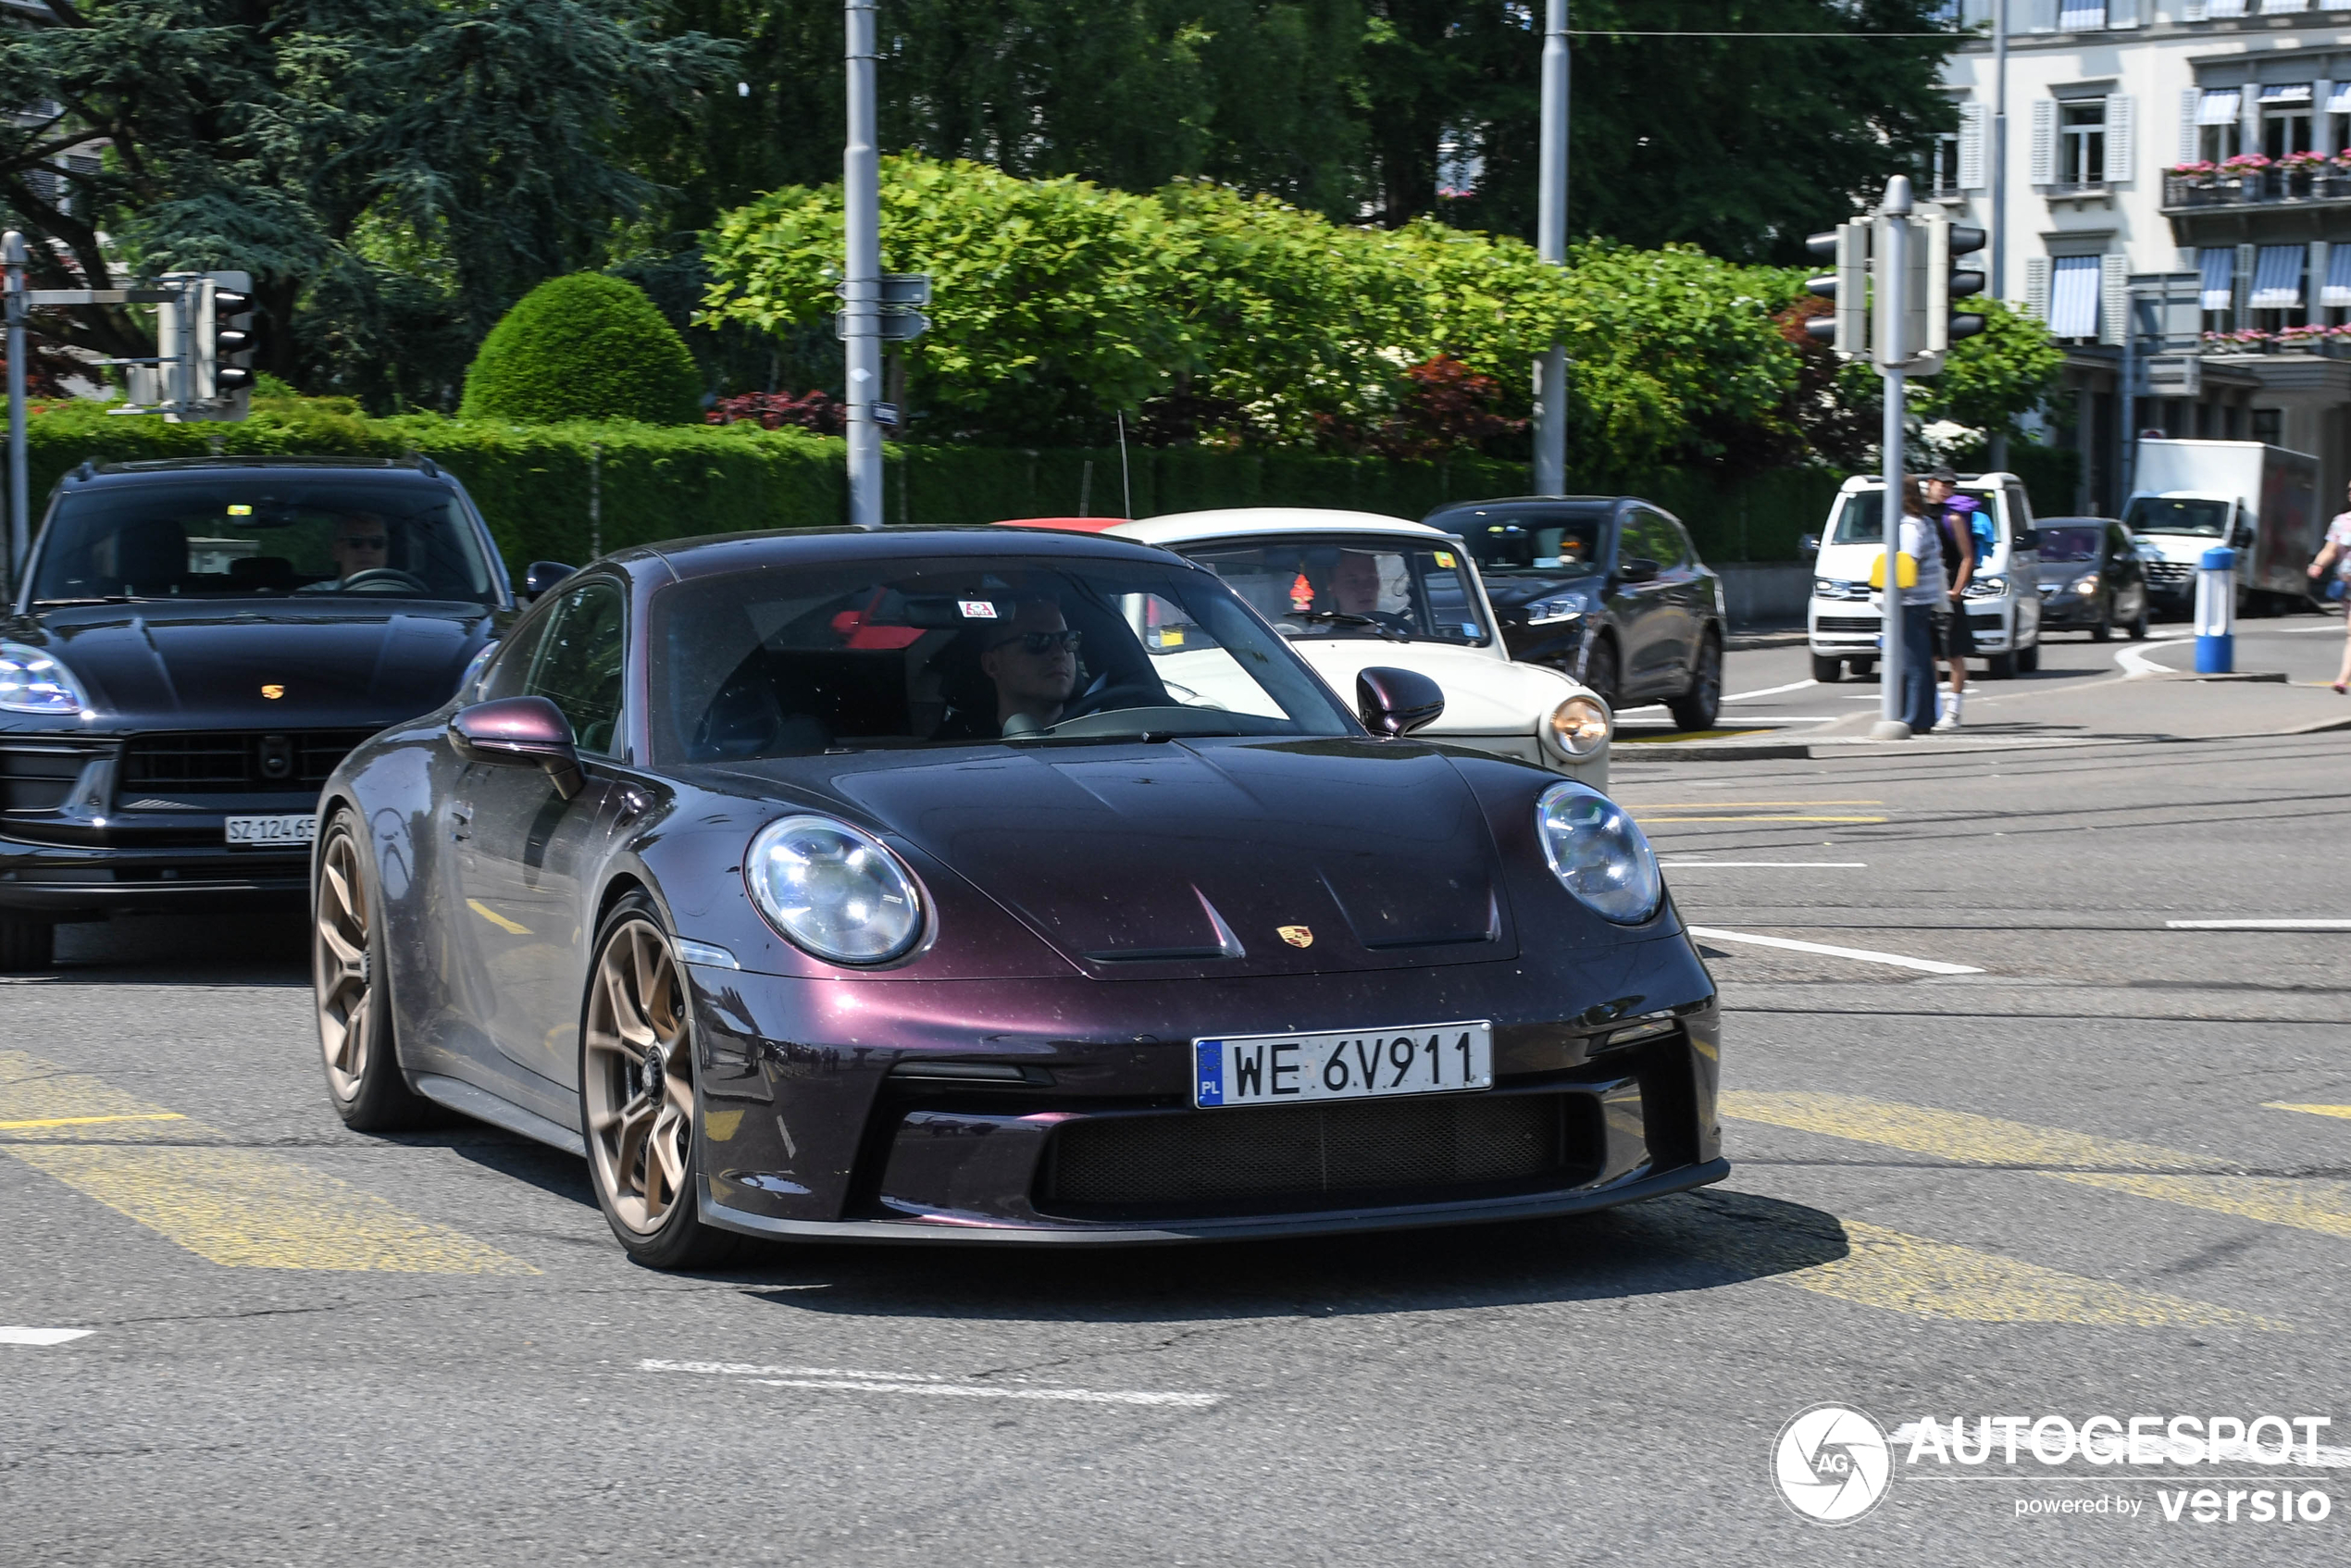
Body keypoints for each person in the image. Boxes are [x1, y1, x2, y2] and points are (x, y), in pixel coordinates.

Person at [938, 599, 1082, 738]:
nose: (1060, 653)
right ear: (992, 665)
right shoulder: (950, 751)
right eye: (1037, 640)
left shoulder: (1101, 728)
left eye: (1067, 639)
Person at [1875, 478, 1949, 734]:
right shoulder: (1926, 522)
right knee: (1921, 659)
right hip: (1924, 598)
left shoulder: (1909, 526)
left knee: (1912, 661)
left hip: (1909, 599)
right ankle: (1925, 715)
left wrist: (1890, 590)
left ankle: (1913, 716)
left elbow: (1908, 561)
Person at [1923, 467, 1976, 729]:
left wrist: (1957, 590)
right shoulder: (1918, 515)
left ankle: (1954, 711)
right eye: (1941, 484)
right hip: (1925, 593)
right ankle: (1933, 708)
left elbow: (1968, 556)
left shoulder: (1953, 517)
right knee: (1930, 655)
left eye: (1950, 486)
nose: (1946, 489)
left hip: (1948, 593)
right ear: (1930, 484)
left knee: (1954, 654)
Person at [2307, 483, 2351, 694]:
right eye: (2350, 489)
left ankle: (2343, 678)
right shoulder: (2341, 522)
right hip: (2347, 586)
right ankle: (2343, 679)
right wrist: (2318, 564)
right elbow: (2330, 549)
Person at [297, 512, 393, 591]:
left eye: (377, 543)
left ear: (386, 554)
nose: (367, 550)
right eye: (355, 541)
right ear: (336, 552)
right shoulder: (311, 596)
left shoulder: (407, 595)